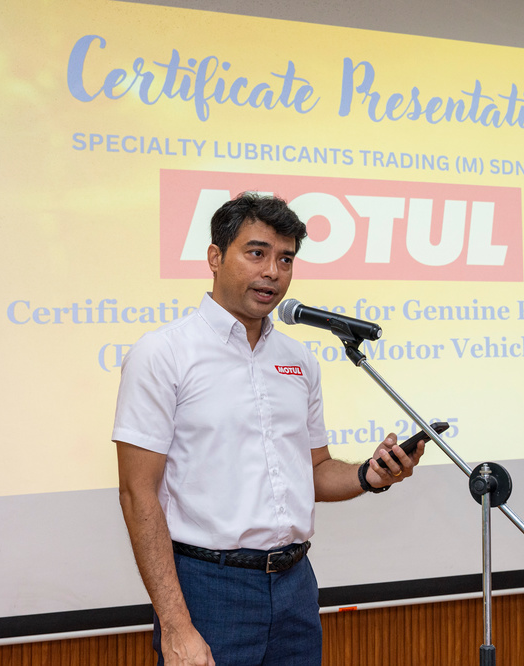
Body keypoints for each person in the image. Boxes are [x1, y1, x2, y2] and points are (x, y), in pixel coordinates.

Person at [113, 193, 424, 666]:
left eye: (285, 259)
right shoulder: (163, 354)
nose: (273, 272)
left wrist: (369, 474)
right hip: (208, 588)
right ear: (215, 257)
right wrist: (175, 624)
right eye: (256, 253)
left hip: (295, 584)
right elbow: (138, 494)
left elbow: (314, 470)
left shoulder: (299, 359)